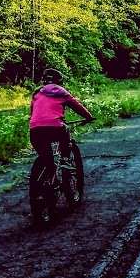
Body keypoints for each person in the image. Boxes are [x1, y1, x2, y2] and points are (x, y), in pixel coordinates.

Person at [28, 68, 94, 204]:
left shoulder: (36, 94)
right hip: (55, 128)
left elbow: (33, 113)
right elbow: (77, 106)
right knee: (65, 129)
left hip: (34, 130)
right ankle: (65, 160)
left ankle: (47, 182)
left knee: (46, 159)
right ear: (59, 81)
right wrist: (88, 117)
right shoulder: (60, 91)